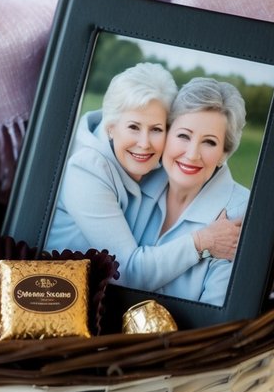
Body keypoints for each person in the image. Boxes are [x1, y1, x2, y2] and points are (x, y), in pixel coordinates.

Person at [44, 62, 240, 292]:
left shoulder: (151, 165)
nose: (145, 143)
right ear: (111, 127)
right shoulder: (86, 171)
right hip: (58, 296)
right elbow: (125, 271)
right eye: (134, 127)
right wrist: (202, 241)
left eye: (156, 129)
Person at [139, 77, 249, 307]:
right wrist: (202, 243)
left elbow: (215, 319)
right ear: (165, 135)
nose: (192, 154)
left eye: (209, 142)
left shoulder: (241, 211)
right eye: (183, 136)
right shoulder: (136, 183)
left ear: (224, 153)